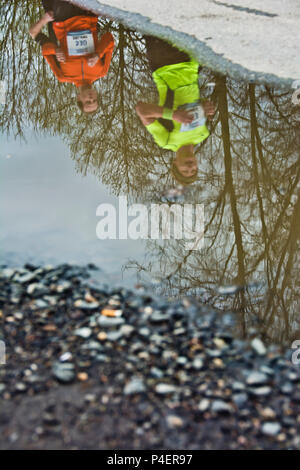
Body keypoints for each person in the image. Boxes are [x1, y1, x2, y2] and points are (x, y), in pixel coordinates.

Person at [136, 36, 215, 184]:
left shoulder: (166, 141)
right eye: (194, 170)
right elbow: (197, 102)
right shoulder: (203, 134)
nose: (190, 167)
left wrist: (172, 115)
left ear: (175, 164)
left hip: (165, 64)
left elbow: (141, 110)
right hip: (191, 64)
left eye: (185, 171)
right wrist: (206, 106)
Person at [29, 0, 115, 113]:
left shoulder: (63, 75)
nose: (91, 98)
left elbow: (45, 51)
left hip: (64, 18)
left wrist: (56, 51)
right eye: (95, 100)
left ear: (79, 98)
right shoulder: (102, 71)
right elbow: (109, 38)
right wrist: (97, 54)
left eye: (88, 102)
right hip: (89, 15)